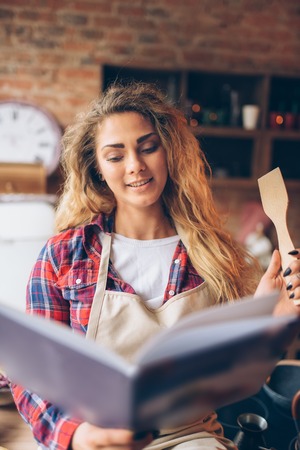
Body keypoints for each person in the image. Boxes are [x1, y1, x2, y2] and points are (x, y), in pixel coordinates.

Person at [11, 82, 300, 450]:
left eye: (148, 147)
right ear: (97, 169)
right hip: (93, 435)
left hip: (189, 435)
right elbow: (31, 372)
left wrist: (270, 325)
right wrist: (78, 435)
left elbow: (232, 382)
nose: (135, 166)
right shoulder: (65, 255)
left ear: (169, 152)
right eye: (115, 156)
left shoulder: (213, 255)